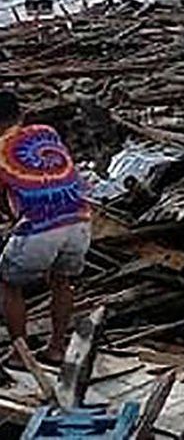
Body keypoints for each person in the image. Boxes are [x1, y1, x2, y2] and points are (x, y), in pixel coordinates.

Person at [0, 92, 89, 363]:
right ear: (21, 114)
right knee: (61, 281)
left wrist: (14, 218)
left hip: (40, 227)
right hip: (80, 219)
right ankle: (57, 346)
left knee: (8, 284)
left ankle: (19, 352)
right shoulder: (46, 132)